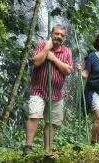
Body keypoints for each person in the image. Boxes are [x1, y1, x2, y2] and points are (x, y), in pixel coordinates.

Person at [23, 23, 73, 155]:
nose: (59, 36)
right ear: (52, 34)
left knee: (52, 122)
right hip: (38, 90)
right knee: (34, 115)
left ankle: (48, 150)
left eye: (62, 35)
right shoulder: (42, 45)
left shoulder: (67, 51)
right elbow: (36, 62)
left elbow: (68, 70)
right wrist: (47, 49)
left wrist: (54, 59)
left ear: (65, 37)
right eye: (57, 33)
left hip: (56, 94)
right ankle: (28, 147)